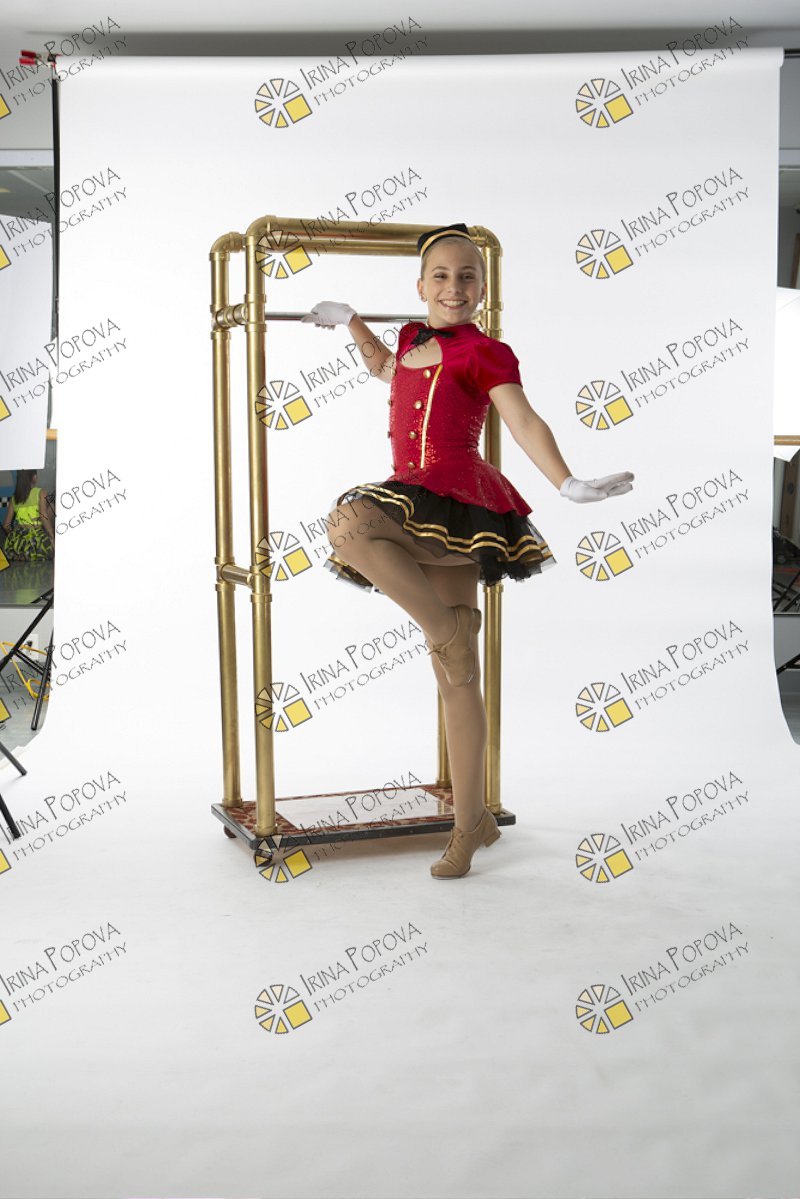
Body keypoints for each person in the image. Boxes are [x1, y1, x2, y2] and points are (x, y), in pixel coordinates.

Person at [301, 222, 634, 880]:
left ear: (482, 288)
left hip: (461, 501)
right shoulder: (409, 339)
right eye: (442, 276)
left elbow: (523, 418)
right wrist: (352, 323)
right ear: (421, 286)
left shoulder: (488, 352)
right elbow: (386, 370)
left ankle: (448, 643)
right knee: (454, 672)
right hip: (414, 500)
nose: (454, 287)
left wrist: (566, 482)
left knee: (352, 528)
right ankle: (473, 813)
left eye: (467, 277)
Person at [1, 469, 55, 561]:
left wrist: (14, 536)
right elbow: (43, 516)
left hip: (17, 547)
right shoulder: (41, 492)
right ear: (34, 477)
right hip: (36, 544)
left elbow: (6, 525)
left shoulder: (14, 498)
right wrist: (52, 536)